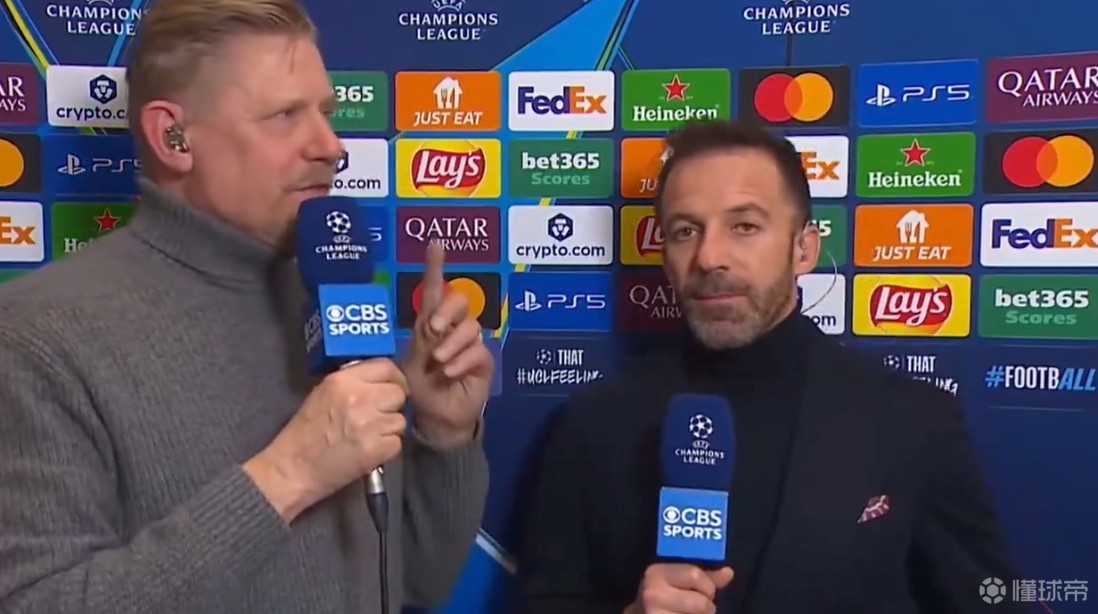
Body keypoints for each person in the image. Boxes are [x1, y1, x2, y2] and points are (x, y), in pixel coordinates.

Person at [0, 1, 491, 612]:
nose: (331, 146)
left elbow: (414, 581)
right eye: (285, 115)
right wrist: (289, 475)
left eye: (326, 113)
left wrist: (445, 436)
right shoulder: (39, 336)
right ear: (173, 136)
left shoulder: (331, 299)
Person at [518, 120, 1025, 614]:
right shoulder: (595, 422)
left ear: (804, 248)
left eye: (744, 226)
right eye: (685, 231)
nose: (709, 257)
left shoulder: (914, 422)